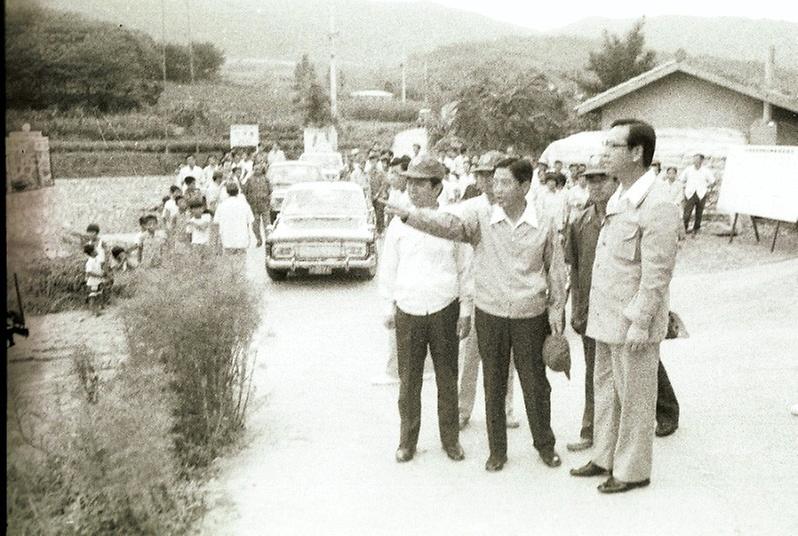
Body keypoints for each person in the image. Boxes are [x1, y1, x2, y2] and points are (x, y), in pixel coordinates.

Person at [387, 157, 567, 472]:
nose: (495, 189)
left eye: (504, 183)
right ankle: (497, 452)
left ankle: (545, 445)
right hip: (491, 313)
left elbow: (556, 268)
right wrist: (412, 218)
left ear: (524, 186)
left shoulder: (546, 220)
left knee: (536, 383)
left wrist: (556, 308)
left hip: (530, 314)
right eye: (493, 182)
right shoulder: (480, 216)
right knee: (493, 384)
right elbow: (449, 226)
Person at [569, 119, 680, 494]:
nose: (606, 153)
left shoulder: (659, 202)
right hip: (606, 316)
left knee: (634, 398)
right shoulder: (620, 196)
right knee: (606, 390)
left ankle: (632, 470)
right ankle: (604, 456)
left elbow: (656, 273)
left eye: (614, 146)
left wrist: (641, 320)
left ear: (637, 153)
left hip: (633, 320)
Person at [379, 157, 473, 464]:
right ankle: (407, 441)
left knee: (447, 378)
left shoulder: (450, 222)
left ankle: (451, 441)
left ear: (437, 187)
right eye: (410, 183)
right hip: (408, 308)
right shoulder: (398, 225)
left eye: (420, 184)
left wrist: (465, 309)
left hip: (444, 307)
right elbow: (388, 267)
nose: (413, 190)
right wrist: (387, 305)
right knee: (409, 381)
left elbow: (464, 268)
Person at [453, 151, 521, 431]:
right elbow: (461, 261)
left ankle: (505, 409)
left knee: (505, 361)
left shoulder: (517, 210)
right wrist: (463, 304)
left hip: (507, 297)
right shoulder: (470, 209)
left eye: (494, 176)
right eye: (483, 175)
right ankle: (462, 409)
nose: (489, 182)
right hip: (476, 296)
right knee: (469, 358)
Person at [679, 153, 716, 235]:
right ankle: (684, 229)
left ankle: (696, 229)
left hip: (701, 193)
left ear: (702, 160)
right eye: (694, 159)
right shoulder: (688, 169)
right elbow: (681, 179)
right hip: (690, 194)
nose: (695, 161)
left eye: (697, 159)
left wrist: (707, 188)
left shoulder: (706, 171)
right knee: (687, 213)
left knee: (699, 213)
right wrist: (685, 187)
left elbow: (713, 181)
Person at [214, 182, 254, 255]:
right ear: (238, 192)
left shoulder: (221, 206)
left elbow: (217, 224)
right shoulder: (244, 205)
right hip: (242, 240)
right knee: (241, 263)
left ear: (227, 192)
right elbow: (249, 222)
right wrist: (248, 236)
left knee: (229, 263)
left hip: (227, 240)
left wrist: (217, 242)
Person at [244, 163, 271, 248]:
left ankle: (268, 241)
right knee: (255, 225)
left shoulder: (266, 179)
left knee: (267, 224)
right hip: (254, 206)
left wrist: (267, 199)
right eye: (255, 169)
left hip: (264, 205)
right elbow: (245, 191)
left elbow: (270, 190)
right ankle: (259, 239)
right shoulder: (249, 180)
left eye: (258, 169)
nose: (257, 171)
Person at [84, 243, 106, 316]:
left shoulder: (96, 259)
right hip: (92, 282)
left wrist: (101, 272)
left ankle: (97, 310)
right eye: (95, 250)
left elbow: (99, 267)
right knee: (92, 296)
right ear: (92, 252)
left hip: (97, 281)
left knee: (98, 294)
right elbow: (89, 272)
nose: (97, 251)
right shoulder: (90, 262)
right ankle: (93, 311)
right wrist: (99, 275)